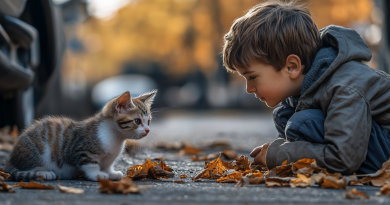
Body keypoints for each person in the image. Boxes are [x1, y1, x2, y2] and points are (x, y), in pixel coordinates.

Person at [222, 0, 390, 174]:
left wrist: (278, 155)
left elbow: (343, 158)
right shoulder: (306, 89)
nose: (249, 88)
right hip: (374, 143)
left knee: (302, 122)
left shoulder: (344, 87)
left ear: (292, 67)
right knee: (286, 114)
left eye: (252, 77)